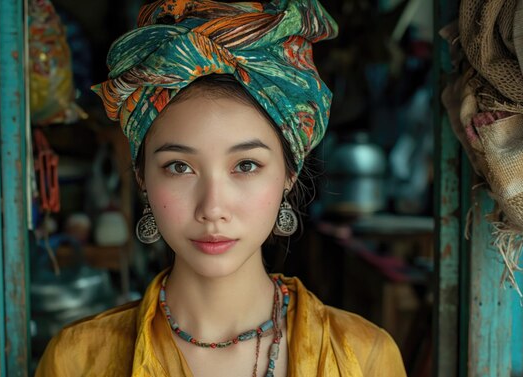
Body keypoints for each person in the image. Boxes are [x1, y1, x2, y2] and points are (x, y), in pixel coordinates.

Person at [35, 0, 407, 376]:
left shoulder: (362, 356)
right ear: (142, 177)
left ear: (289, 175)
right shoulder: (77, 360)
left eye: (246, 165)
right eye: (179, 167)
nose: (212, 208)